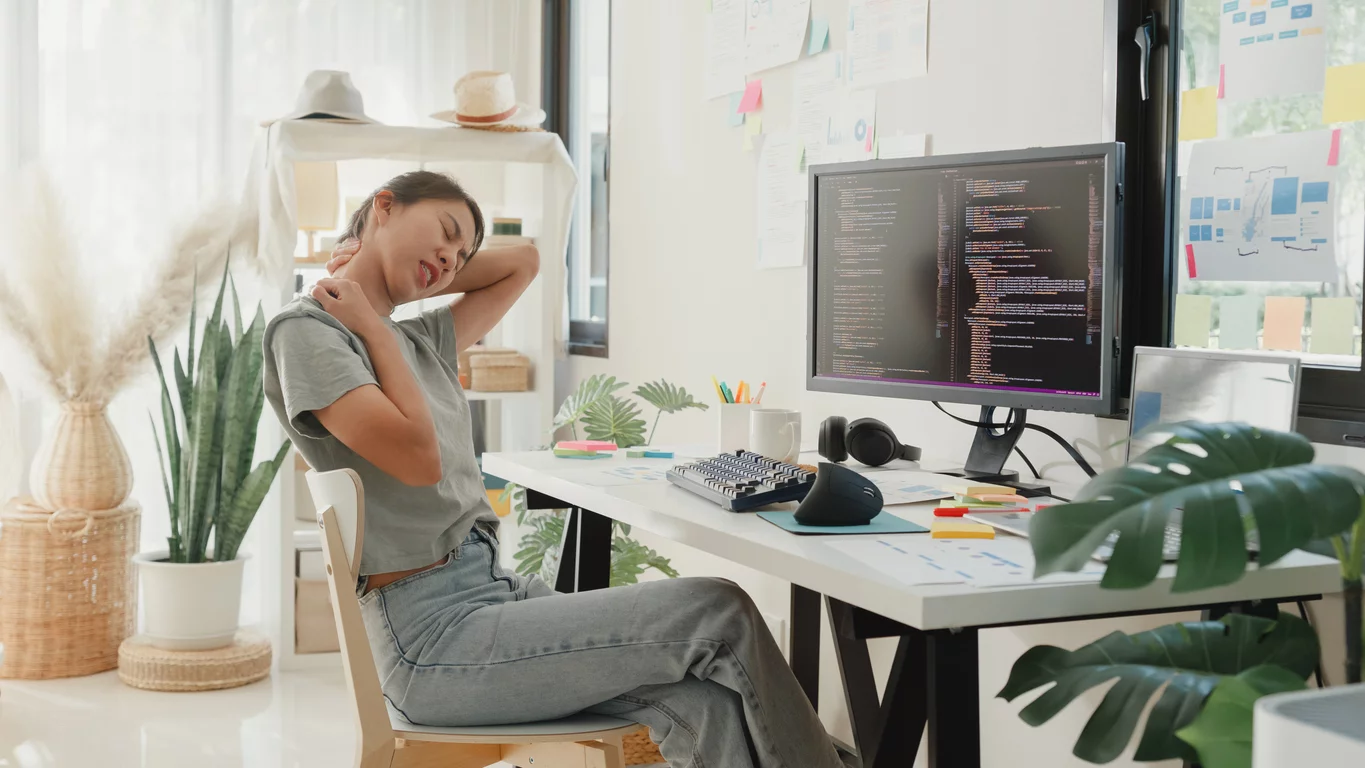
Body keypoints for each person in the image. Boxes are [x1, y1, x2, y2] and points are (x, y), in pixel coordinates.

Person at [262, 170, 847, 768]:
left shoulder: (417, 338)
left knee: (704, 702)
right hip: (431, 641)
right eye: (443, 230)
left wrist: (412, 268)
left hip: (491, 598)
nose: (449, 257)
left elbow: (525, 261)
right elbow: (417, 459)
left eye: (460, 253)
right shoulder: (308, 331)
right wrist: (372, 323)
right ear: (383, 205)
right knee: (721, 610)